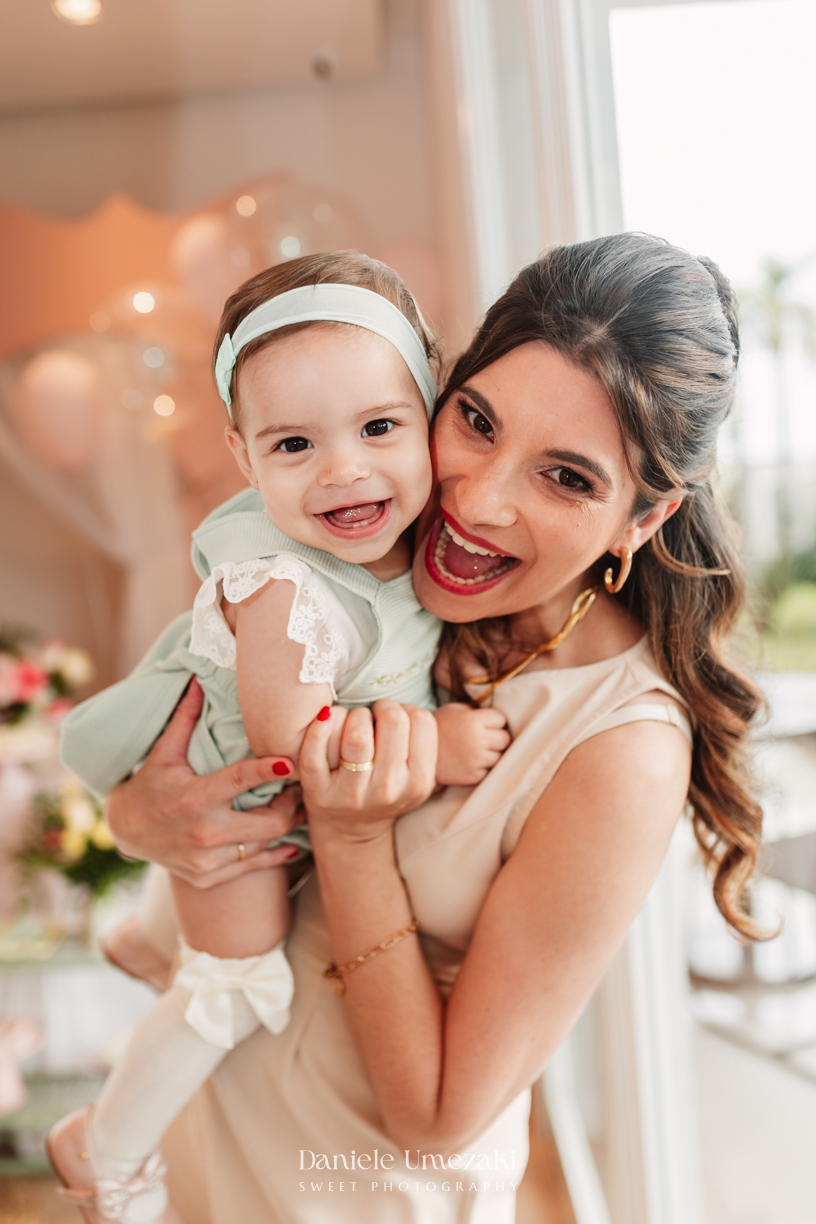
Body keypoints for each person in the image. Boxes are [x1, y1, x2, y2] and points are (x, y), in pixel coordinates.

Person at [99, 234, 763, 1224]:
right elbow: (200, 756)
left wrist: (354, 833)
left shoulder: (621, 749)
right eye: (478, 420)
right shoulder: (356, 550)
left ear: (642, 519)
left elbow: (442, 1115)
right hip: (201, 1138)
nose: (481, 500)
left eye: (568, 478)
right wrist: (144, 822)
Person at [48, 254, 509, 1224]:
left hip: (268, 815)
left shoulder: (397, 552)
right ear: (243, 456)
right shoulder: (284, 587)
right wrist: (444, 742)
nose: (343, 469)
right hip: (245, 808)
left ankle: (146, 934)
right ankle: (108, 1145)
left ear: (428, 419)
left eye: (379, 428)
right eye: (293, 445)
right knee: (237, 983)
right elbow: (295, 745)